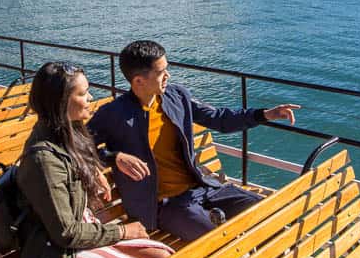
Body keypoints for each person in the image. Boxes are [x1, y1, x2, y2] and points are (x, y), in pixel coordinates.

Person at [88, 40, 300, 242]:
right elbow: (79, 147)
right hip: (165, 205)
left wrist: (265, 114)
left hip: (202, 187)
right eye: (161, 72)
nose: (167, 76)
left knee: (266, 209)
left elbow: (219, 119)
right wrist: (114, 158)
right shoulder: (112, 114)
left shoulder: (177, 96)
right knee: (219, 238)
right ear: (139, 81)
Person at [16, 61, 173, 258]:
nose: (90, 97)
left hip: (84, 235)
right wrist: (123, 231)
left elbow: (87, 156)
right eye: (82, 94)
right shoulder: (42, 160)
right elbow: (67, 234)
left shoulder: (69, 132)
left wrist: (107, 161)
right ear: (61, 102)